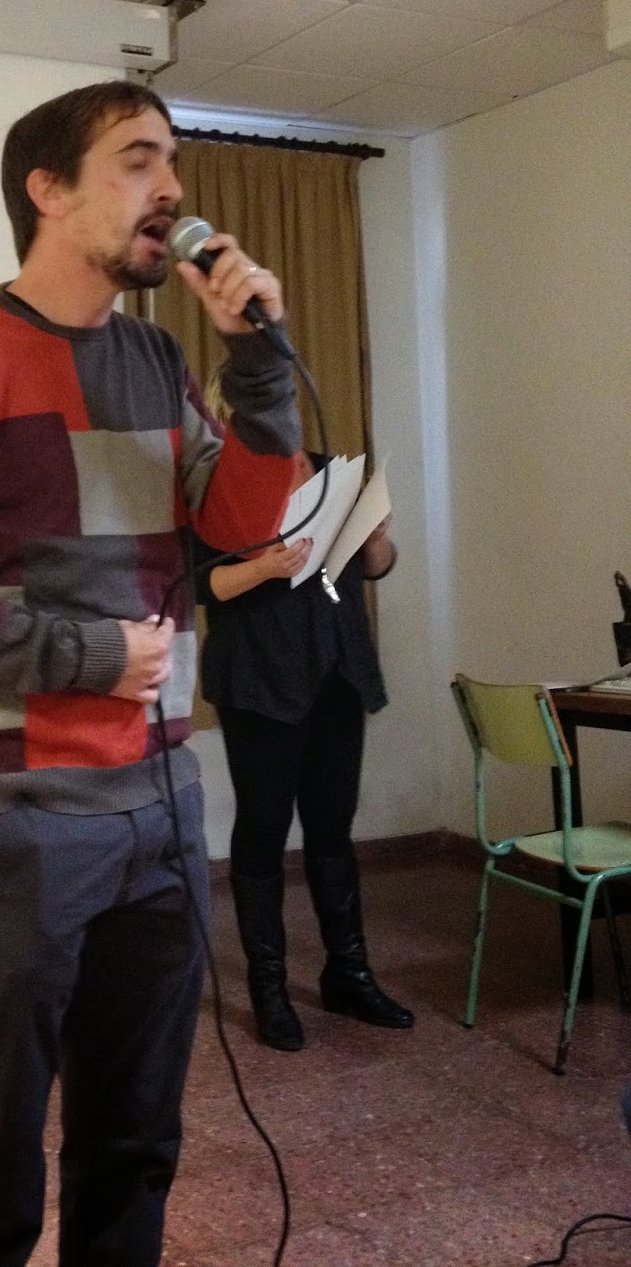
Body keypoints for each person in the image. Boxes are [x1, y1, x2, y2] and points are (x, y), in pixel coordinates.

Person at [0, 80, 301, 1267]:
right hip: (17, 809)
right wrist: (89, 656)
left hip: (159, 800)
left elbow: (240, 521)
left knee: (136, 1139)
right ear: (47, 190)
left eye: (173, 162)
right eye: (138, 159)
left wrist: (257, 361)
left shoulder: (157, 356)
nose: (173, 188)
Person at [193, 444, 414, 1053]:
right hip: (259, 676)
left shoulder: (330, 469)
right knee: (263, 828)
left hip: (338, 671)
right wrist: (262, 569)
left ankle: (349, 974)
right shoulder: (219, 480)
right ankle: (269, 989)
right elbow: (199, 582)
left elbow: (375, 565)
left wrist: (376, 541)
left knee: (333, 828)